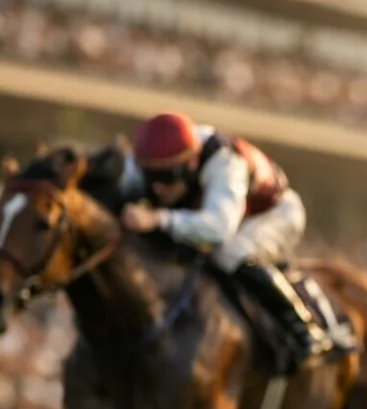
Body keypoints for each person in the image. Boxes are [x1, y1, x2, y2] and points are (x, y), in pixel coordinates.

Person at [117, 111, 345, 367]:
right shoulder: (145, 161)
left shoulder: (225, 162)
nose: (158, 188)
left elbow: (218, 229)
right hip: (226, 215)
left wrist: (160, 219)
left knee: (228, 252)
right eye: (151, 177)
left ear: (191, 163)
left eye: (169, 177)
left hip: (273, 214)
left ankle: (301, 327)